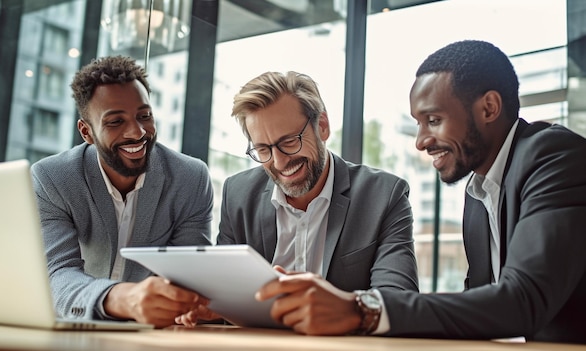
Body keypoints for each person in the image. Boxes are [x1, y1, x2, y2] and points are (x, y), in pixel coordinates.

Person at [254, 40, 586, 343]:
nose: (421, 141)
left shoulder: (554, 157)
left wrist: (362, 309)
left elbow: (524, 301)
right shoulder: (478, 193)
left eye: (433, 119)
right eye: (418, 123)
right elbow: (478, 309)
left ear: (488, 108)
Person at [177, 71, 419, 331]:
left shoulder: (384, 195)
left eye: (289, 141)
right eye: (263, 150)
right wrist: (212, 308)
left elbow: (397, 301)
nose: (280, 162)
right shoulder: (238, 193)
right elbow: (222, 292)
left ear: (322, 126)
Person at [31, 56, 214, 327]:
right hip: (74, 328)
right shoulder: (53, 178)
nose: (137, 132)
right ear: (87, 132)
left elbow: (190, 274)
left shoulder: (190, 179)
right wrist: (121, 298)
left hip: (154, 334)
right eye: (116, 122)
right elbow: (56, 274)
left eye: (144, 116)